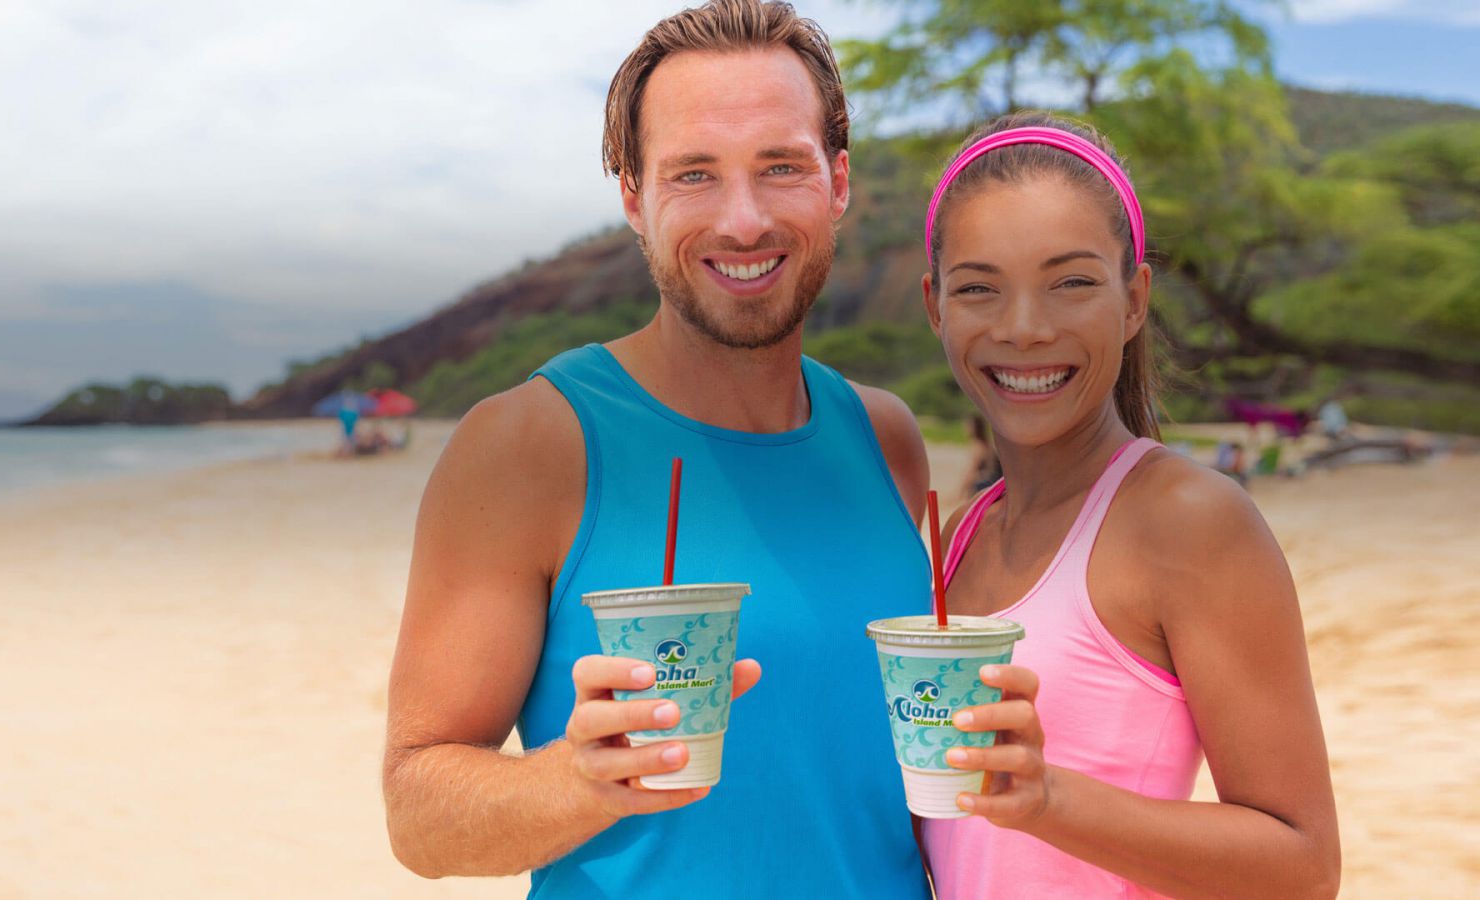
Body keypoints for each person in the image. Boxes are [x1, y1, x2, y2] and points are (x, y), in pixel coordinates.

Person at [381, 2, 932, 896]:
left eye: (780, 167)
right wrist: (579, 778)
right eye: (695, 175)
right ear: (635, 198)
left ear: (837, 182)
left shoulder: (887, 438)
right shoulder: (526, 445)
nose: (743, 221)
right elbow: (419, 817)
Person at [917, 112, 1340, 898]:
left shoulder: (1190, 522)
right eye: (979, 288)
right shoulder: (957, 539)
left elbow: (1304, 867)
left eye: (1071, 282)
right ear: (935, 306)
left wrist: (1051, 800)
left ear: (1135, 298)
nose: (1024, 328)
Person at [961, 414, 1002, 500]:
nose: (965, 428)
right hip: (993, 484)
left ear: (975, 428)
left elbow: (972, 471)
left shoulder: (978, 446)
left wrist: (960, 491)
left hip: (983, 487)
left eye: (968, 426)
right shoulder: (988, 443)